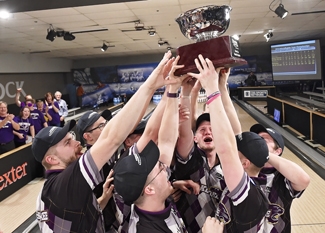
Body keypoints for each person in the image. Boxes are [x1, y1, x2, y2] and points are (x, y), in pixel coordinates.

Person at [33, 50, 178, 232]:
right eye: (67, 143)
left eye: (72, 138)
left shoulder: (49, 192)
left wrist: (100, 203)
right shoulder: (65, 184)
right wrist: (152, 84)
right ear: (52, 160)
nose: (76, 143)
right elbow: (112, 138)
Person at [114, 55, 190, 233]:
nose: (165, 168)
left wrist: (172, 91)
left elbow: (167, 141)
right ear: (149, 189)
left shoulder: (150, 200)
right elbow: (152, 134)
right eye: (160, 169)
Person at [250, 124, 310, 233]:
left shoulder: (283, 177)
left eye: (264, 140)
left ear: (277, 151)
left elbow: (304, 180)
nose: (258, 142)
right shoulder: (245, 170)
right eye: (256, 139)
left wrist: (263, 152)